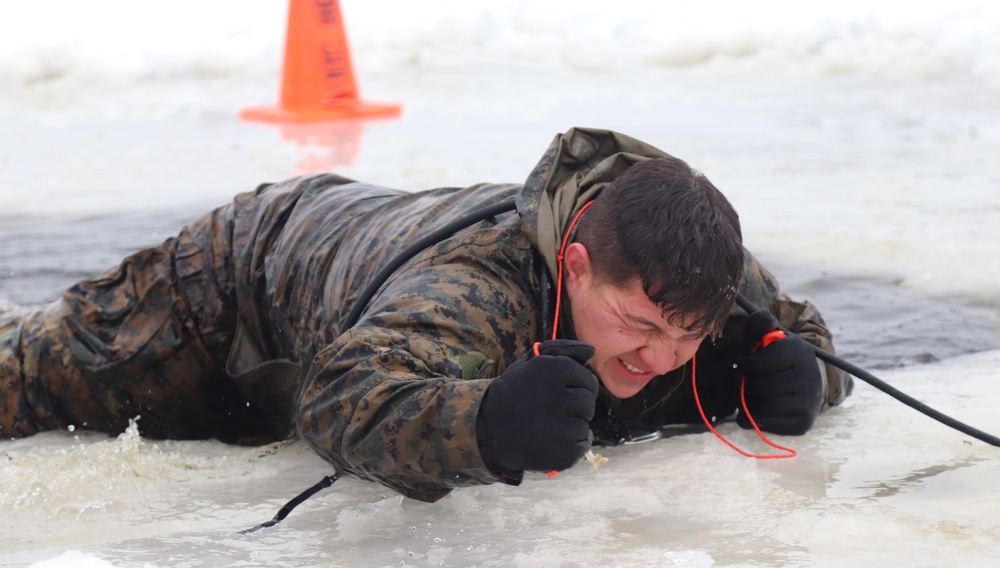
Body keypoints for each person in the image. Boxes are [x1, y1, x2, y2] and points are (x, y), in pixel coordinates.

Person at [0, 127, 852, 502]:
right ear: (577, 266)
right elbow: (338, 398)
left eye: (690, 336)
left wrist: (806, 369)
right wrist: (483, 423)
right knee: (23, 379)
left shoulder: (702, 273)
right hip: (238, 287)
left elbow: (800, 325)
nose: (665, 359)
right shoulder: (479, 288)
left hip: (354, 274)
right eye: (640, 326)